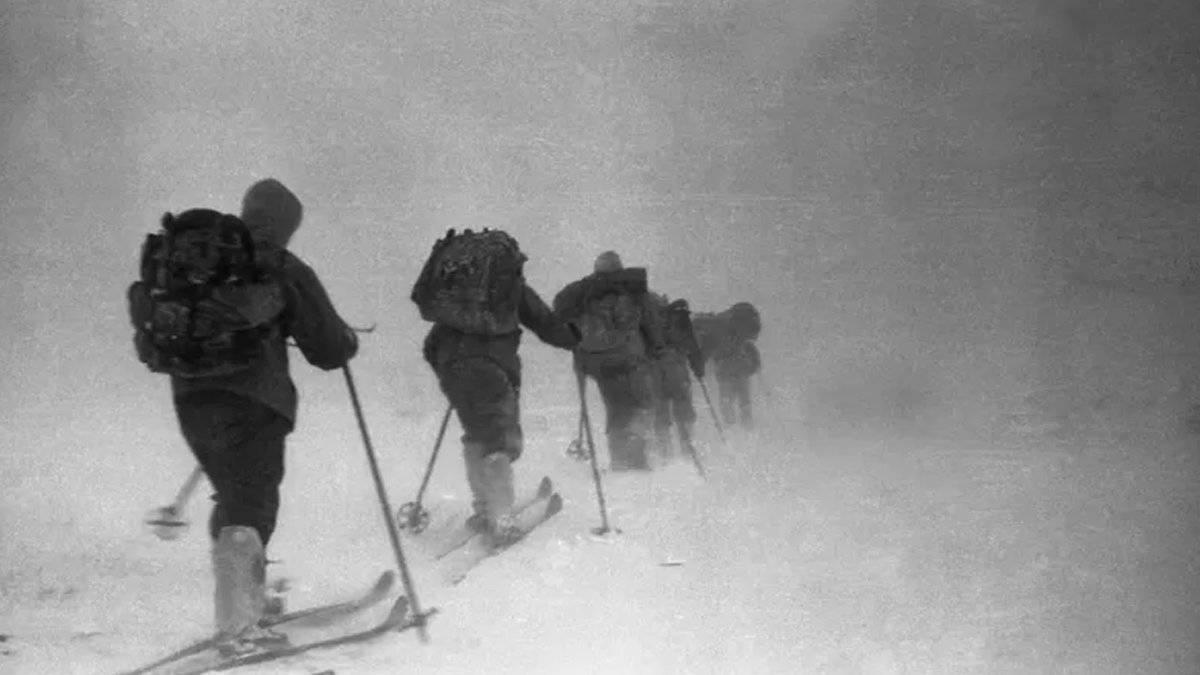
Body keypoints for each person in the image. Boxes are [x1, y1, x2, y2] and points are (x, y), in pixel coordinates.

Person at [129, 179, 359, 656]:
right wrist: (346, 342)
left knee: (234, 495)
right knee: (250, 503)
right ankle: (240, 626)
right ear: (288, 224)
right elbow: (329, 348)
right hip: (255, 400)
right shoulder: (278, 263)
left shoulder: (195, 257)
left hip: (190, 397)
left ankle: (244, 605)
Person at [414, 229, 577, 545]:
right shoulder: (509, 288)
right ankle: (501, 519)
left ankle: (484, 510)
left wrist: (448, 368)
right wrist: (575, 338)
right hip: (491, 370)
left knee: (476, 434)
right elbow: (547, 325)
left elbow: (432, 343)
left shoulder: (453, 296)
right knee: (498, 439)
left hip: (452, 368)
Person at [554, 251, 664, 471]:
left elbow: (565, 325)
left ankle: (620, 459)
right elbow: (651, 325)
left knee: (615, 409)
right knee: (640, 406)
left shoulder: (583, 294)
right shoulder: (633, 293)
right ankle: (636, 458)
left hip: (596, 365)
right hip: (628, 360)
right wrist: (656, 350)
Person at [646, 293, 705, 461]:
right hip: (676, 367)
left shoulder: (640, 320)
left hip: (652, 370)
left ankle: (664, 454)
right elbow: (692, 346)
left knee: (659, 411)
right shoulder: (678, 318)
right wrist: (698, 369)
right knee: (683, 408)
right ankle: (688, 451)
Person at [694, 302, 761, 429]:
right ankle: (741, 431)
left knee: (731, 403)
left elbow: (707, 351)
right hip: (733, 370)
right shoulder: (724, 330)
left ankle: (735, 429)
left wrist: (700, 364)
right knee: (738, 403)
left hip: (729, 370)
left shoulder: (722, 329)